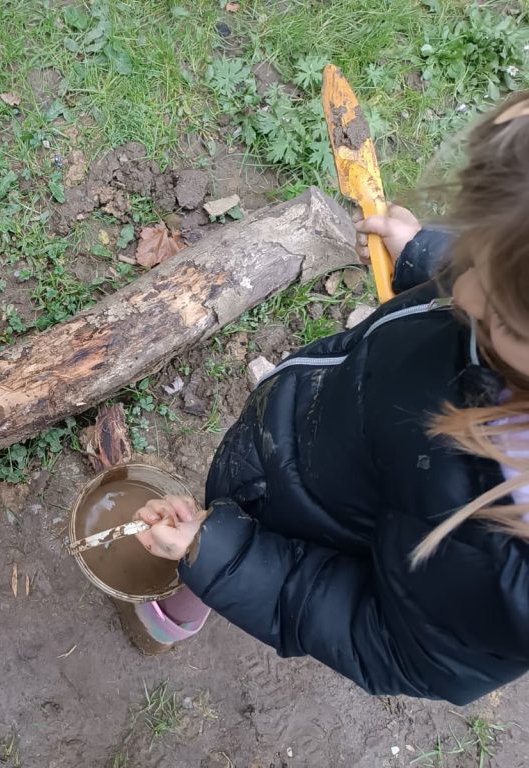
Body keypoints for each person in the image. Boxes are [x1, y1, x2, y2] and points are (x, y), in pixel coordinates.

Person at [127, 93, 529, 705]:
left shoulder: (501, 566)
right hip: (303, 443)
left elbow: (384, 643)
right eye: (475, 251)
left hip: (305, 527)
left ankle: (175, 614)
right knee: (220, 519)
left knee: (209, 555)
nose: (464, 295)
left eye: (498, 312)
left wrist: (222, 558)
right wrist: (427, 255)